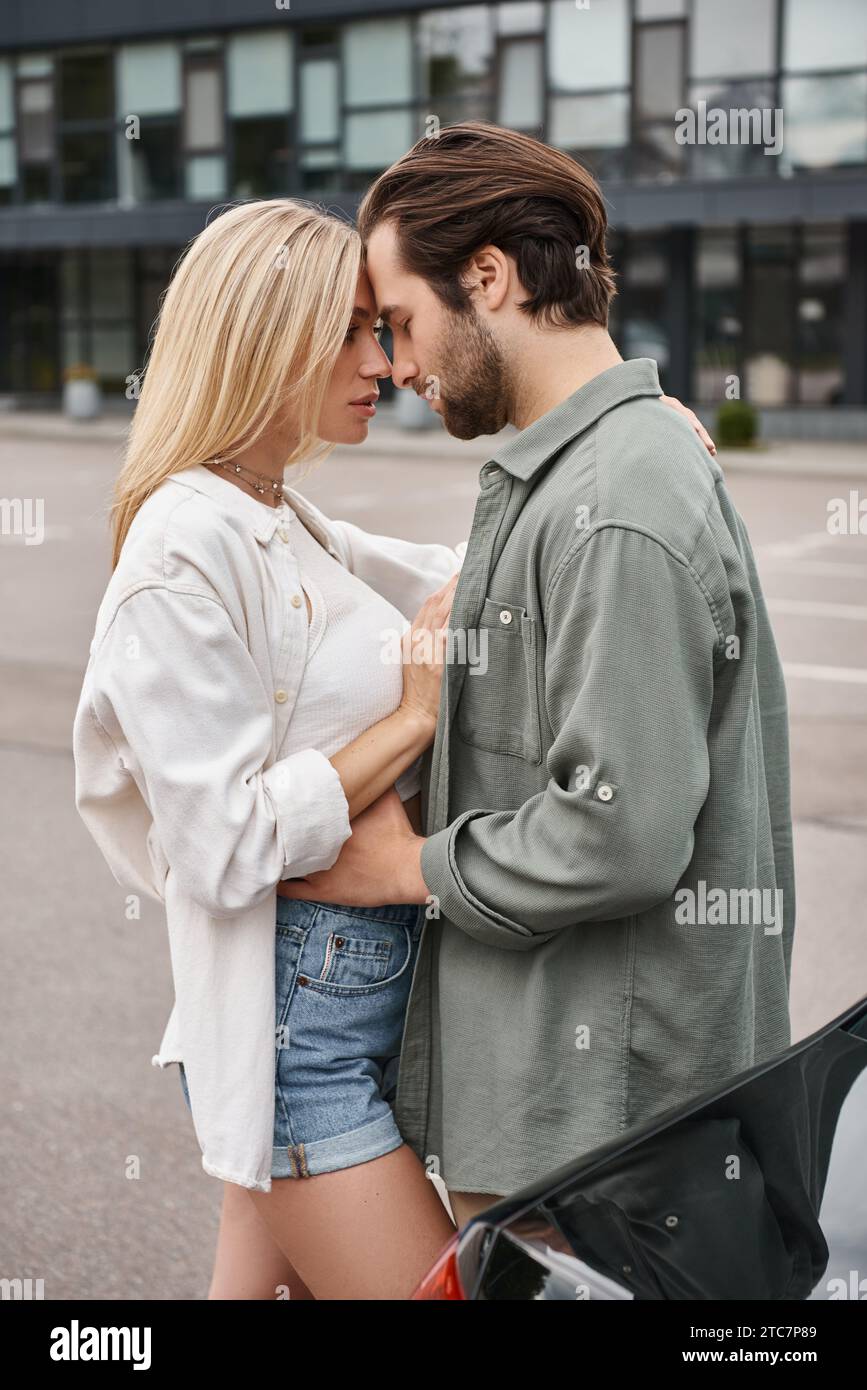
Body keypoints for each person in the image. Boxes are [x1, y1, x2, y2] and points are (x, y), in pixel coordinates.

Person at [72, 186, 718, 1299]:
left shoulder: (284, 518)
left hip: (344, 1011)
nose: (385, 364)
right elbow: (221, 842)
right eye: (360, 331)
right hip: (297, 1043)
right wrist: (410, 722)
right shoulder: (182, 553)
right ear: (268, 339)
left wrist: (628, 434)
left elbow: (479, 578)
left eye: (388, 327)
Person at [277, 122, 796, 1234]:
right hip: (571, 1132)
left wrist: (404, 867)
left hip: (605, 1146)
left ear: (492, 277)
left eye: (400, 323)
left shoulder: (619, 497)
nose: (397, 365)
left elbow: (618, 833)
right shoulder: (586, 472)